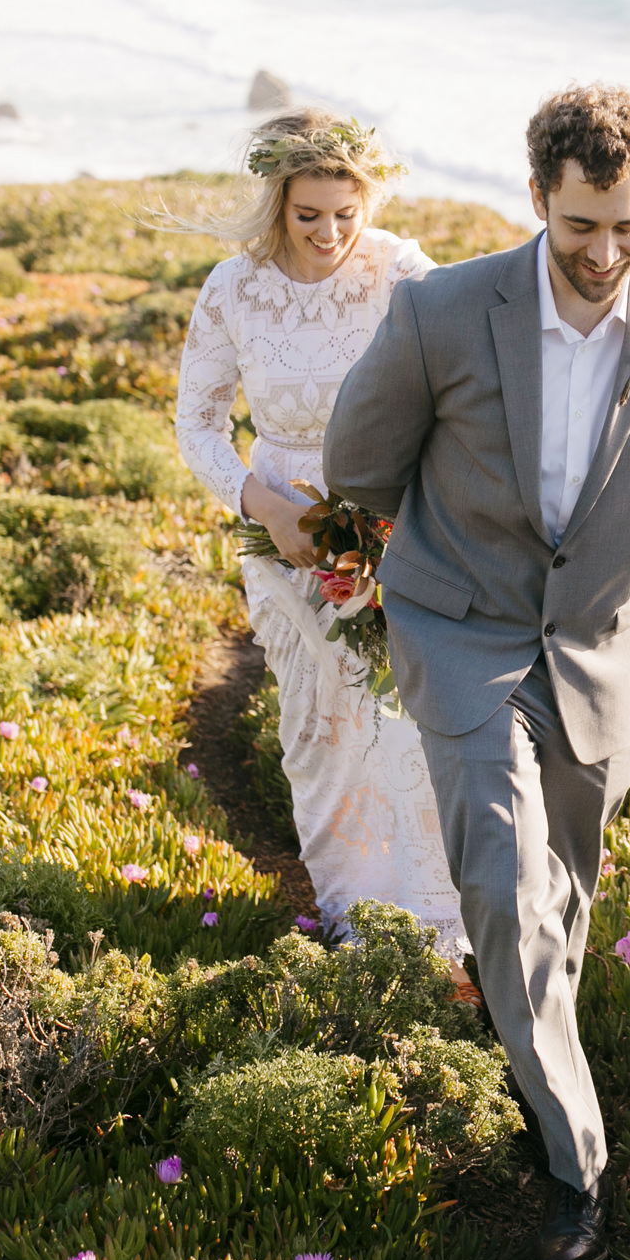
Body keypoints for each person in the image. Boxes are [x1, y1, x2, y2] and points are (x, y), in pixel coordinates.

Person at [324, 83, 630, 1260]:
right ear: (537, 199)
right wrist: (439, 554)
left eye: (628, 227)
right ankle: (578, 1167)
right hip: (462, 636)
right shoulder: (441, 311)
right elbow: (359, 461)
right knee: (503, 881)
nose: (604, 252)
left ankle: (533, 1058)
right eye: (582, 225)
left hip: (597, 656)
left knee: (562, 904)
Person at [172, 108, 469, 964]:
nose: (332, 233)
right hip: (281, 538)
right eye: (309, 215)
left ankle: (439, 928)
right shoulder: (233, 286)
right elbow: (197, 425)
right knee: (319, 727)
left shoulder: (400, 270)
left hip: (395, 530)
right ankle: (350, 917)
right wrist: (258, 502)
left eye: (348, 212)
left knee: (405, 723)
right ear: (277, 203)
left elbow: (465, 373)